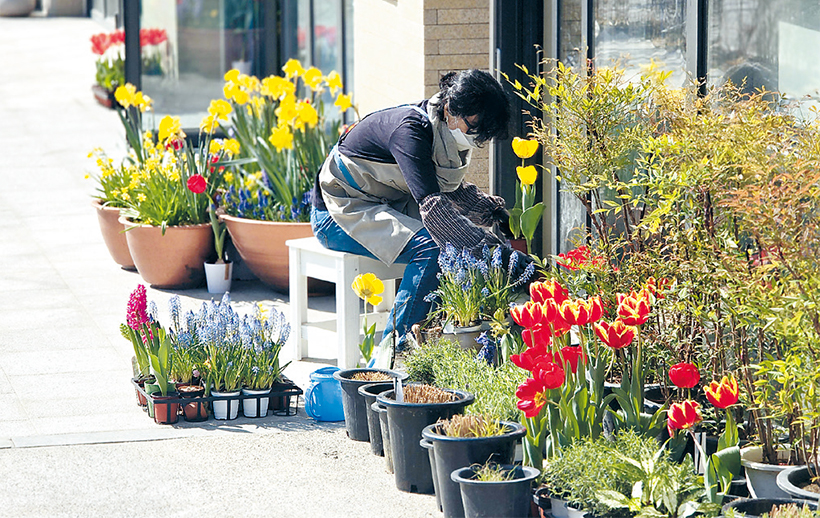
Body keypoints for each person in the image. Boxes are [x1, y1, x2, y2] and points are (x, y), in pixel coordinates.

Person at [310, 68, 522, 366]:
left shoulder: (438, 128)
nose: (476, 136)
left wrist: (494, 214)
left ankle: (429, 352)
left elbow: (450, 192)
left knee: (453, 247)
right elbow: (434, 207)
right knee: (434, 249)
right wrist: (491, 251)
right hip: (339, 212)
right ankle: (387, 363)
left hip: (382, 204)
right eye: (474, 126)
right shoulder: (410, 131)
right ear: (450, 109)